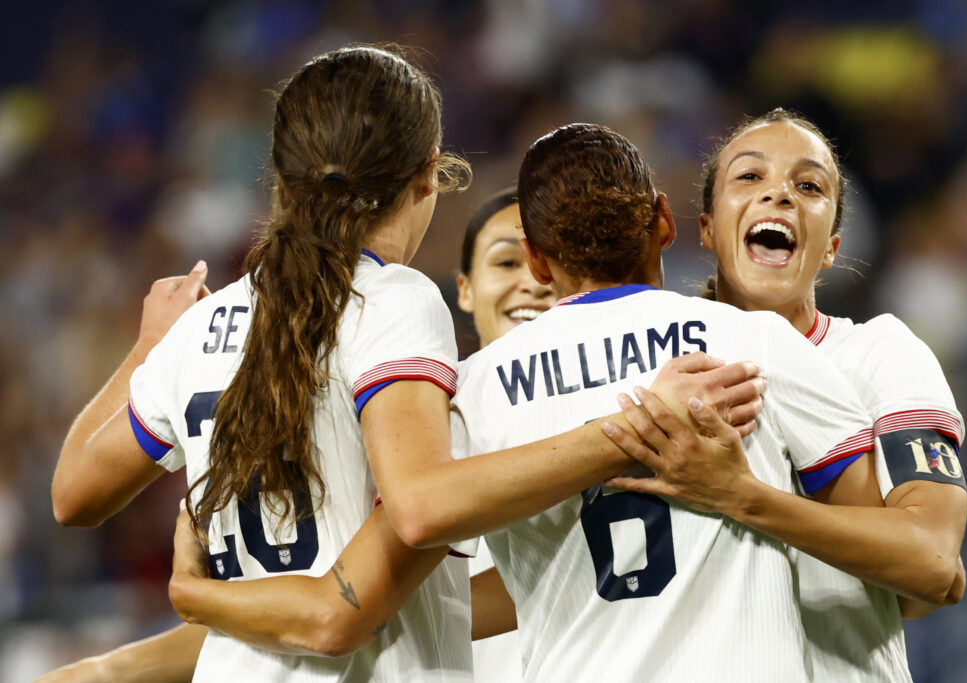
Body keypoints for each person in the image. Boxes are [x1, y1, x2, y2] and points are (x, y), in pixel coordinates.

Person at [46, 46, 765, 680]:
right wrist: (639, 422)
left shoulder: (202, 326)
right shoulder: (392, 299)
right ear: (427, 176)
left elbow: (73, 493)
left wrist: (147, 350)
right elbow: (419, 507)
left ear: (283, 178)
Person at [603, 108, 967, 682]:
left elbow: (932, 564)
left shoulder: (879, 353)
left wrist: (739, 495)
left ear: (830, 247)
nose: (779, 195)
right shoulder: (652, 376)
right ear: (705, 228)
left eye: (808, 186)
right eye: (750, 177)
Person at [454, 188, 553, 683]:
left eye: (547, 261)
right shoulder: (418, 413)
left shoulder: (624, 396)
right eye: (507, 262)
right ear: (465, 289)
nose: (531, 283)